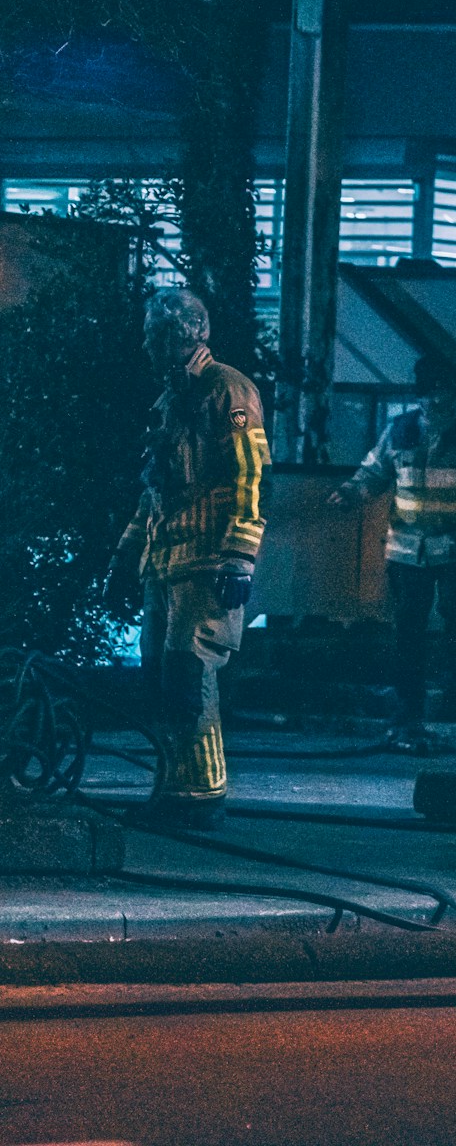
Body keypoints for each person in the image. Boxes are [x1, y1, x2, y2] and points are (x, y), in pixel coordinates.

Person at [108, 291, 270, 828]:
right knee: (161, 680)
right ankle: (174, 791)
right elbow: (154, 492)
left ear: (187, 335)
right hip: (168, 564)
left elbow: (250, 476)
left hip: (206, 565)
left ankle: (200, 796)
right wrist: (126, 554)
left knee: (187, 674)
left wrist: (239, 557)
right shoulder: (175, 397)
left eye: (156, 334)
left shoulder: (227, 389)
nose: (147, 344)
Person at [329, 356, 456, 750]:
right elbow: (374, 474)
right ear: (422, 396)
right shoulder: (401, 430)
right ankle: (407, 713)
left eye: (443, 397)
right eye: (429, 397)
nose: (436, 405)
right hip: (407, 551)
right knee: (407, 634)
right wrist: (349, 494)